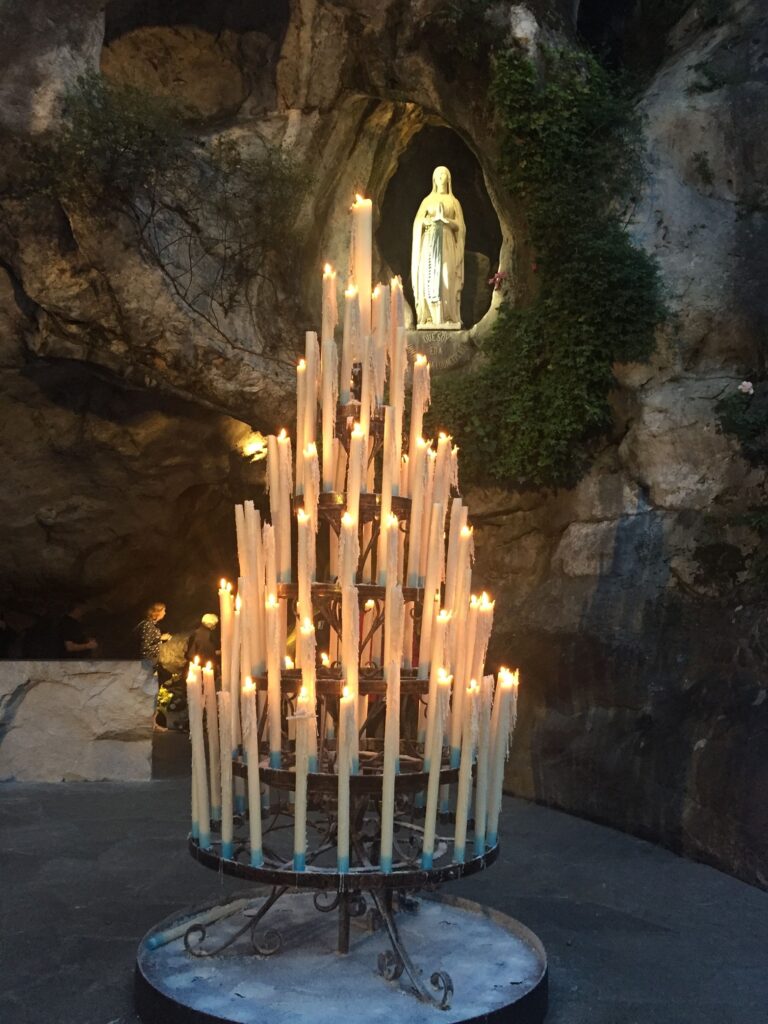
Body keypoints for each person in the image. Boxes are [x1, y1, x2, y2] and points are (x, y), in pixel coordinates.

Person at [411, 165, 466, 329]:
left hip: (447, 242)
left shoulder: (454, 202)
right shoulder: (427, 201)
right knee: (429, 277)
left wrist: (446, 222)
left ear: (449, 179)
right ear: (434, 179)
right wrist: (428, 222)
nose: (442, 178)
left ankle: (447, 316)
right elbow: (417, 223)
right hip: (430, 242)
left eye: (444, 175)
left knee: (446, 276)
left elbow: (461, 226)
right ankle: (431, 317)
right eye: (438, 175)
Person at [136, 602, 172, 680]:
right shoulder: (148, 625)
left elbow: (152, 641)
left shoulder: (153, 624)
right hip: (147, 662)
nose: (165, 613)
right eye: (164, 611)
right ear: (157, 612)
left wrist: (162, 639)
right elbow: (145, 647)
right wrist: (160, 638)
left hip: (152, 660)